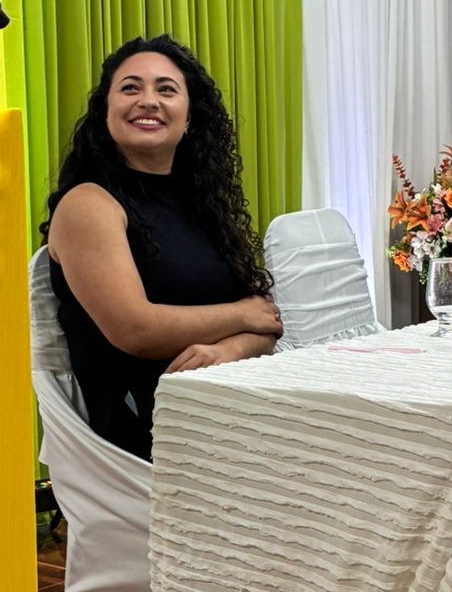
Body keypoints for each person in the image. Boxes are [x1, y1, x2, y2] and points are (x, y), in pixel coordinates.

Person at [43, 36, 282, 462]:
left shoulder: (201, 204)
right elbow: (135, 329)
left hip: (227, 407)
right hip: (151, 433)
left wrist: (226, 351)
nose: (148, 100)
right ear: (105, 111)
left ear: (189, 117)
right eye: (130, 88)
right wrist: (241, 315)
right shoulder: (88, 205)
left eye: (166, 89)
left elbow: (267, 324)